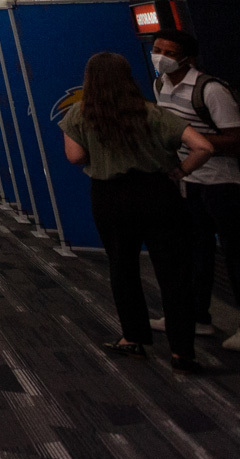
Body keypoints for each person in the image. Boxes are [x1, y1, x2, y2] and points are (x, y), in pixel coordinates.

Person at [61, 50, 215, 372]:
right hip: (158, 194)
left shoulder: (78, 114)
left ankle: (133, 339)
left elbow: (75, 157)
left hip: (110, 197)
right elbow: (204, 147)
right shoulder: (153, 113)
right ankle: (182, 353)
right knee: (174, 275)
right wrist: (181, 171)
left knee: (122, 268)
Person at [148, 30, 240, 350]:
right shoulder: (160, 85)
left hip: (222, 182)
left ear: (186, 58)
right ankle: (198, 316)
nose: (160, 56)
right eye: (156, 49)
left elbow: (235, 138)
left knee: (234, 253)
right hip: (190, 181)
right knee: (196, 253)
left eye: (168, 52)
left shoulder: (211, 90)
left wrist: (190, 140)